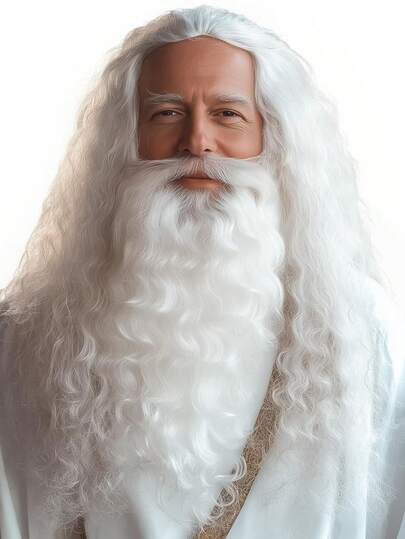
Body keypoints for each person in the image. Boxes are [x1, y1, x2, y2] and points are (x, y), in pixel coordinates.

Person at [1, 5, 404, 539]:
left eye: (227, 114)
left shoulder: (355, 336)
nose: (197, 141)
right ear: (127, 138)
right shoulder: (28, 339)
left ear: (273, 138)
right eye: (167, 112)